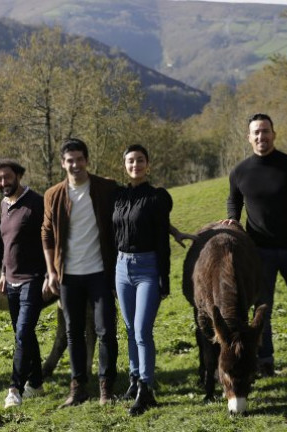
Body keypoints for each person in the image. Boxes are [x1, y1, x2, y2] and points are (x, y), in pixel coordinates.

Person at [222, 113, 287, 377]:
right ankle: (265, 361)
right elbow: (234, 201)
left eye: (265, 131)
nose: (261, 136)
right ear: (249, 137)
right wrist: (232, 219)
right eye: (256, 132)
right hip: (259, 253)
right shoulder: (240, 171)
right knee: (262, 309)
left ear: (274, 134)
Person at [41, 138, 119, 408]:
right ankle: (78, 389)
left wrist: (171, 230)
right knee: (73, 332)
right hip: (68, 276)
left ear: (87, 159)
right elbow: (47, 235)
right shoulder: (54, 194)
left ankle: (106, 389)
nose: (75, 165)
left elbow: (133, 210)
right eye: (69, 160)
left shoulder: (106, 188)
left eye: (79, 159)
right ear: (63, 163)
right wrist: (51, 272)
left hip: (100, 273)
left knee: (106, 330)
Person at [112, 144, 172, 415]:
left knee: (141, 331)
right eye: (130, 161)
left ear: (148, 164)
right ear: (124, 165)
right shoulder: (118, 196)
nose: (135, 165)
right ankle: (134, 379)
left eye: (140, 160)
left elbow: (162, 238)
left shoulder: (157, 197)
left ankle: (146, 389)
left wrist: (164, 277)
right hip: (121, 268)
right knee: (128, 329)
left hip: (148, 267)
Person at [0, 158, 47, 409]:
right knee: (24, 334)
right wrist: (2, 272)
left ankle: (15, 388)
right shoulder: (4, 205)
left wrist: (52, 273)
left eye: (7, 177)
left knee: (22, 333)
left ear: (18, 176)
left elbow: (51, 238)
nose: (3, 182)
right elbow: (7, 244)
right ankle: (36, 382)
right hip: (10, 279)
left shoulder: (37, 203)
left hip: (33, 278)